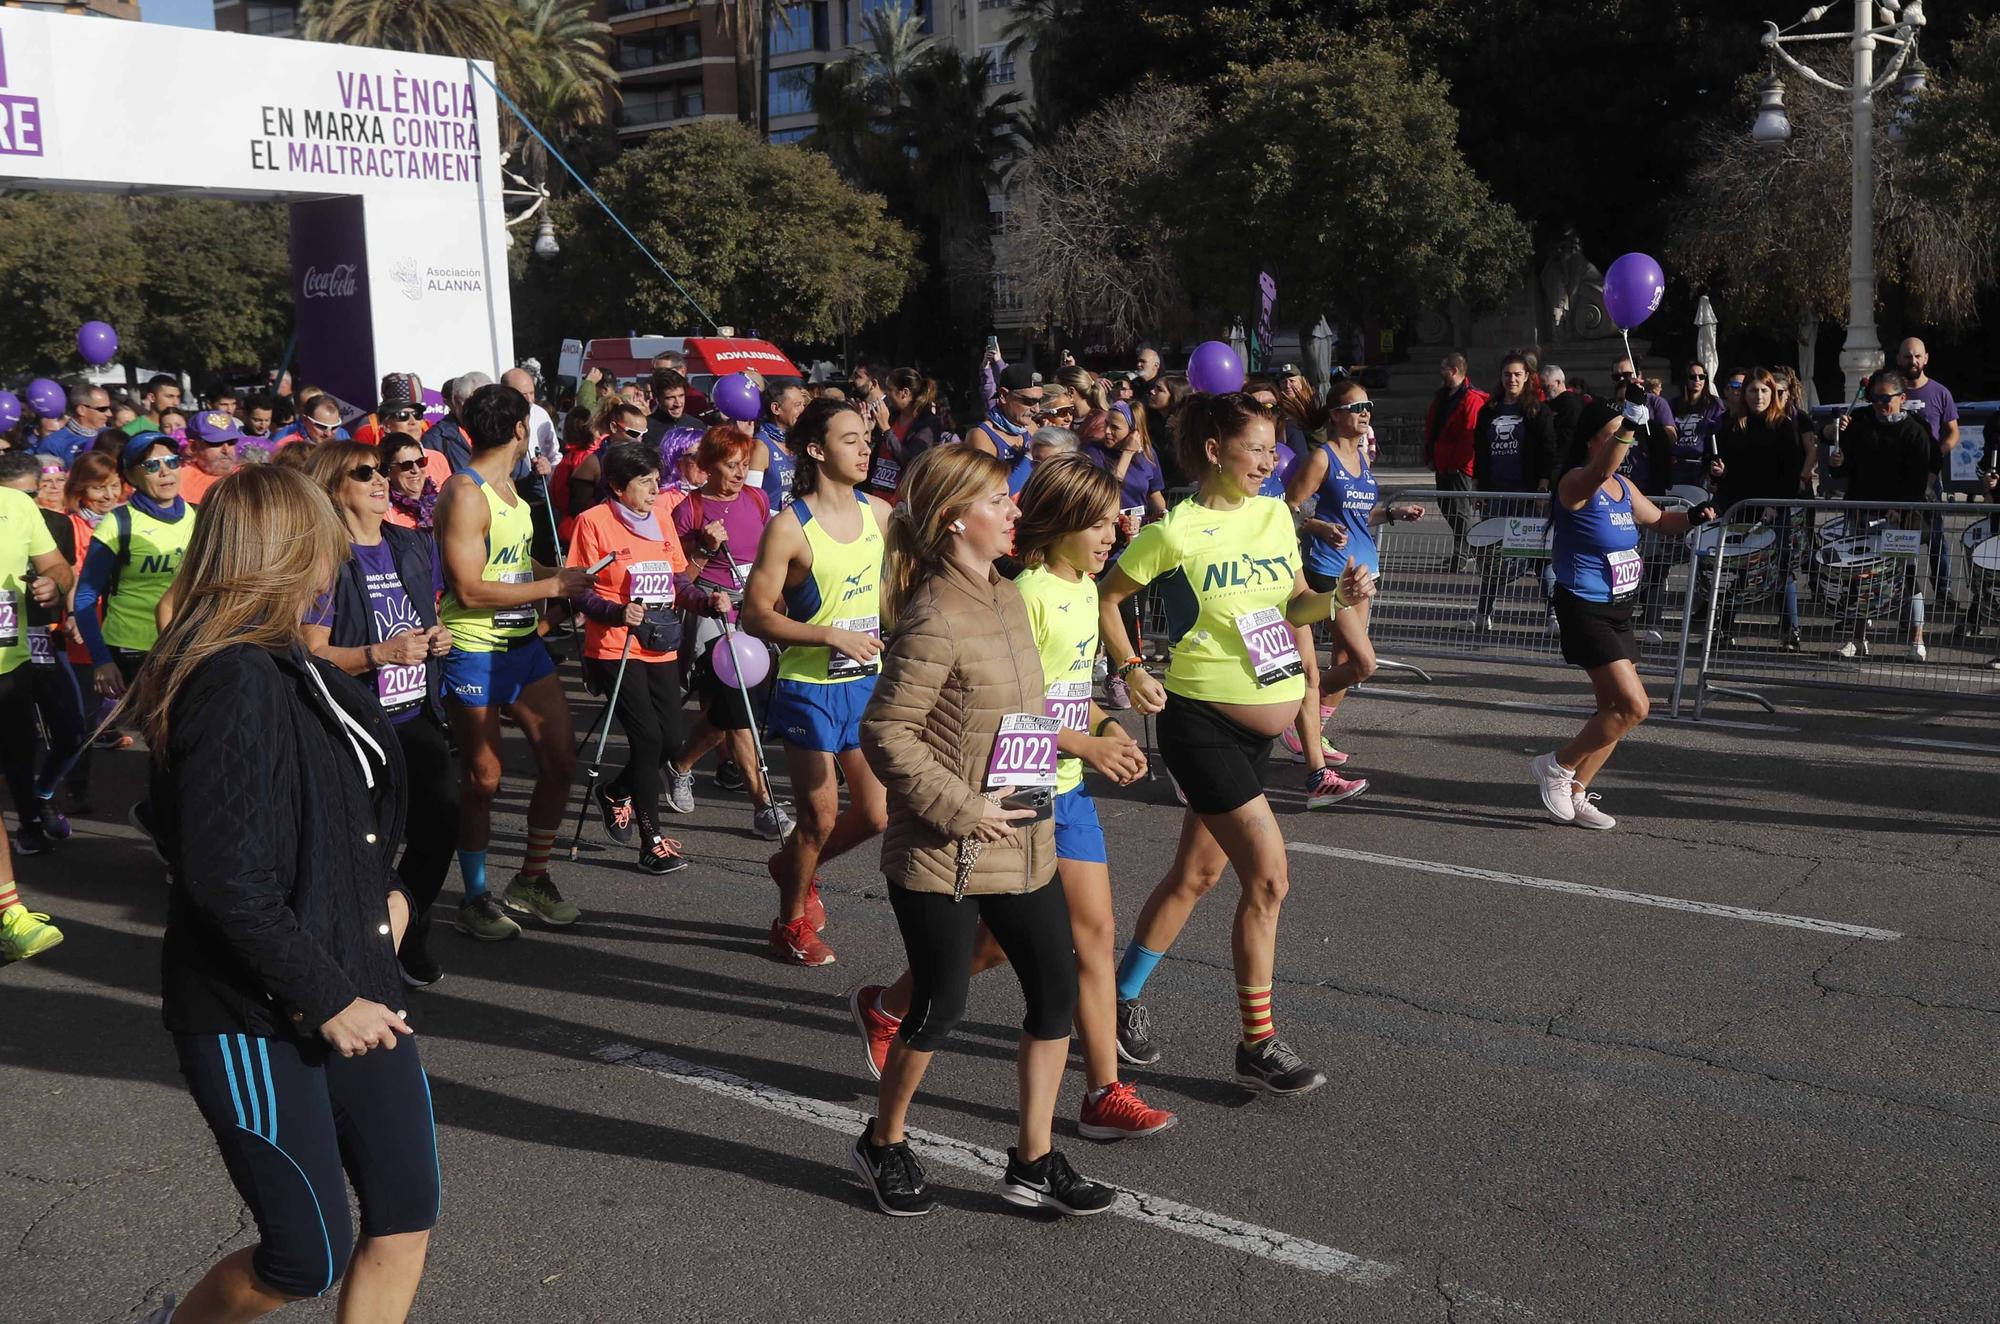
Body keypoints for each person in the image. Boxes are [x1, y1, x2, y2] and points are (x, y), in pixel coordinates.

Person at [128, 465, 438, 1324]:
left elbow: (344, 823)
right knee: (305, 1254)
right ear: (287, 550)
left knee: (406, 1212)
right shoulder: (230, 679)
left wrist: (391, 904)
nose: (337, 562)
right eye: (324, 542)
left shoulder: (294, 664)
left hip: (357, 982)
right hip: (255, 1010)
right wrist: (329, 997)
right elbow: (225, 876)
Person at [849, 456, 1175, 1141]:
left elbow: (1043, 701)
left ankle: (1045, 1144)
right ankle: (888, 1136)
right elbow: (896, 727)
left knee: (1045, 971)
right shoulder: (970, 604)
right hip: (975, 820)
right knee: (962, 994)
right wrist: (974, 803)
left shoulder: (1028, 592)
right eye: (999, 501)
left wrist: (1106, 724)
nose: (1112, 531)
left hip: (1040, 805)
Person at [1097, 392, 1375, 1093]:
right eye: (1258, 447)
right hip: (1200, 723)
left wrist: (1336, 597)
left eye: (1275, 448)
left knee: (1197, 875)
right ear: (1216, 451)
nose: (1271, 460)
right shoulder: (1177, 530)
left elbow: (1290, 606)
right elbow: (1105, 597)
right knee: (1270, 877)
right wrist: (1130, 670)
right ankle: (1258, 1042)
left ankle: (1118, 995)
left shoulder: (1275, 514)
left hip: (1262, 725)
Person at [300, 443, 459, 989]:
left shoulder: (412, 544)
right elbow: (310, 651)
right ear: (334, 486)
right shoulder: (325, 558)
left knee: (440, 824)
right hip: (354, 722)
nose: (380, 480)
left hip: (415, 711)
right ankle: (360, 946)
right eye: (363, 472)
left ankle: (407, 924)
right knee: (368, 843)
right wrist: (378, 654)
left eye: (380, 471)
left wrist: (437, 637)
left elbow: (428, 615)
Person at [435, 384, 591, 941]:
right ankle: (474, 898)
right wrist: (552, 583)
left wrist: (580, 577)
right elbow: (471, 590)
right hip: (475, 647)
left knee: (562, 761)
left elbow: (513, 564)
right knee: (484, 778)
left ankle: (531, 879)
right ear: (522, 430)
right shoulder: (465, 493)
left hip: (522, 647)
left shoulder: (513, 493)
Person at [742, 401, 893, 967]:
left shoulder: (880, 514)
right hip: (809, 686)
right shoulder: (789, 527)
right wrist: (827, 634)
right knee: (819, 817)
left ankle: (793, 865)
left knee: (877, 814)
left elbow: (895, 590)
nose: (865, 449)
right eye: (850, 440)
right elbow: (755, 615)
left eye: (866, 439)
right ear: (815, 450)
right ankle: (789, 921)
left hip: (866, 683)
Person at [1531, 401, 1714, 831]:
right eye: (1616, 436)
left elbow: (1660, 520)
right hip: (1583, 607)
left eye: (1627, 436)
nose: (1626, 445)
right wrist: (1631, 420)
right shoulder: (1578, 482)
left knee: (1610, 710)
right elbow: (1598, 471)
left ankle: (1577, 793)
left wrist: (1692, 516)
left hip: (1619, 609)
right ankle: (1557, 766)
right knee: (1635, 706)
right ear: (1594, 441)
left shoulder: (1623, 487)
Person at [569, 440, 725, 875]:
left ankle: (617, 792)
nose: (656, 490)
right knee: (647, 739)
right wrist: (616, 610)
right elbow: (578, 589)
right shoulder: (593, 523)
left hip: (660, 643)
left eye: (657, 480)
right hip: (614, 646)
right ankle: (651, 840)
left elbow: (677, 582)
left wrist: (704, 602)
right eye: (645, 482)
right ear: (617, 487)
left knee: (672, 740)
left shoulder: (659, 518)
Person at [1287, 379, 1421, 799]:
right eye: (1357, 406)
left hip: (1366, 571)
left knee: (1344, 660)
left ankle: (1312, 727)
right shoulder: (1322, 458)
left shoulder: (1361, 458)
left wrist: (1393, 513)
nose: (1366, 413)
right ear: (1336, 415)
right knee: (1364, 664)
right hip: (1330, 572)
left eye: (1369, 406)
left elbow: (1361, 516)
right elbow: (1287, 509)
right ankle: (1299, 714)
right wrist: (1318, 527)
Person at [665, 427, 793, 841]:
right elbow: (676, 580)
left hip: (752, 608)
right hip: (709, 612)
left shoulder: (756, 500)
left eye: (743, 464)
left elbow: (767, 560)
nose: (739, 473)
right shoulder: (690, 510)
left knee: (731, 712)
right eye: (729, 465)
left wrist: (778, 602)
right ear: (707, 466)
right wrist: (702, 550)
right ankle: (763, 804)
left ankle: (680, 764)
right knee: (738, 710)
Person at [0, 455, 84, 849]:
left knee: (57, 734)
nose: (34, 498)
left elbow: (60, 569)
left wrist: (53, 583)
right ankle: (30, 823)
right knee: (18, 746)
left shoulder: (23, 510)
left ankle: (38, 806)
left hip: (21, 650)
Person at [74, 433, 197, 702]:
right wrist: (101, 660)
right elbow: (84, 597)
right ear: (130, 476)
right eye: (152, 465)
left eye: (172, 461)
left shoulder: (200, 515)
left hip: (187, 644)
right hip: (133, 650)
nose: (165, 471)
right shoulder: (118, 523)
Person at [1828, 369, 1935, 659]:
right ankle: (1858, 637)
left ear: (1902, 398)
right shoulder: (1860, 423)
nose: (1879, 404)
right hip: (1863, 509)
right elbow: (1841, 469)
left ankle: (1916, 638)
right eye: (1874, 398)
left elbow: (1918, 477)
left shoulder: (1915, 430)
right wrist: (1837, 460)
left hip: (1901, 515)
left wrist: (1900, 507)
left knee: (1906, 573)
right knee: (1861, 575)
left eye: (1885, 398)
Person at [1709, 368, 1806, 649]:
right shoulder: (1730, 424)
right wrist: (1717, 470)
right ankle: (1723, 629)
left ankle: (1791, 630)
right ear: (1744, 394)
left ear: (1772, 393)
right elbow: (1719, 466)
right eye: (1753, 390)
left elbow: (1790, 472)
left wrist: (1775, 504)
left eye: (1764, 390)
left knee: (1782, 567)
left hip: (1774, 507)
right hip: (1738, 505)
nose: (1759, 396)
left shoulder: (1784, 424)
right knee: (1736, 567)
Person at [1894, 337, 1959, 608]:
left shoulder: (1940, 392)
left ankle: (1942, 590)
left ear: (1926, 358)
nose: (1913, 361)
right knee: (1896, 534)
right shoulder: (1890, 391)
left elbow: (1953, 432)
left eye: (1917, 356)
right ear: (1899, 359)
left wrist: (1937, 456)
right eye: (1908, 356)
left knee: (1935, 536)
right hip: (1894, 477)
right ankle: (1898, 589)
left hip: (1929, 478)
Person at [1423, 352, 1487, 567]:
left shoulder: (1470, 399)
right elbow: (1433, 427)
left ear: (1454, 371)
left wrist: (1457, 464)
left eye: (1444, 369)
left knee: (1460, 510)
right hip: (1443, 462)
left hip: (1459, 465)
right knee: (1446, 505)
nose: (1441, 373)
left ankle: (1461, 554)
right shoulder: (1443, 396)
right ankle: (1467, 547)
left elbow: (1469, 435)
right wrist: (1430, 455)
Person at [965, 364, 1043, 495]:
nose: (1036, 409)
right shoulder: (981, 436)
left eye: (1040, 401)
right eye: (1029, 401)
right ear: (1003, 395)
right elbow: (987, 495)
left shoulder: (1031, 427)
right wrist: (1029, 457)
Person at [866, 368, 940, 504]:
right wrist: (868, 431)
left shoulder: (927, 422)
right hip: (877, 497)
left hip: (903, 502)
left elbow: (912, 462)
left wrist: (886, 429)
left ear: (904, 393)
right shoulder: (892, 416)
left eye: (889, 390)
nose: (886, 395)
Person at [1672, 361, 1726, 491]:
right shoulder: (1673, 404)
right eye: (1692, 376)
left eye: (1701, 377)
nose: (1697, 380)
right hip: (1676, 467)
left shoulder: (1714, 404)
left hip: (1701, 467)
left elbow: (1718, 434)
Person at [422, 374, 489, 474]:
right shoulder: (436, 439)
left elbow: (518, 473)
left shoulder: (502, 429)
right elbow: (432, 484)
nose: (480, 410)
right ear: (456, 402)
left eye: (487, 403)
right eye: (472, 404)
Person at [758, 381, 809, 510]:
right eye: (797, 405)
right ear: (776, 408)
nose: (803, 411)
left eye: (804, 405)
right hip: (770, 526)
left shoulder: (801, 442)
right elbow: (751, 500)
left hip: (797, 523)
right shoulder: (760, 446)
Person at [37, 383, 111, 469]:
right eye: (102, 409)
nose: (109, 414)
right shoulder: (53, 444)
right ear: (81, 410)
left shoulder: (111, 436)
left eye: (110, 408)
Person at [380, 435, 442, 532]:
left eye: (421, 462)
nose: (416, 470)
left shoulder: (443, 502)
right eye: (406, 465)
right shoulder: (384, 515)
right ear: (387, 472)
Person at [179, 410, 243, 504]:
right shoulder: (178, 481)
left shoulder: (248, 476)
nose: (226, 450)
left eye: (231, 442)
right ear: (194, 446)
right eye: (216, 443)